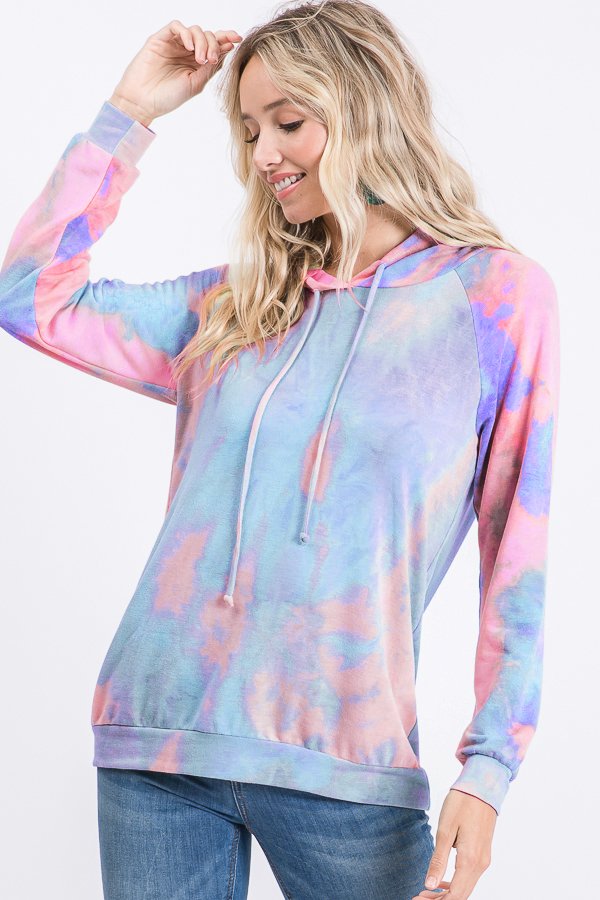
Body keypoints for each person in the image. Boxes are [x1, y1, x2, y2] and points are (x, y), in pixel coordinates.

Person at [0, 1, 560, 898]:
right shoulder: (235, 306)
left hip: (345, 767)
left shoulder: (492, 299)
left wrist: (489, 767)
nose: (263, 154)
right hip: (158, 746)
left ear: (366, 108)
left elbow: (517, 555)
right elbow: (30, 298)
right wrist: (130, 112)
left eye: (288, 121)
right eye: (251, 129)